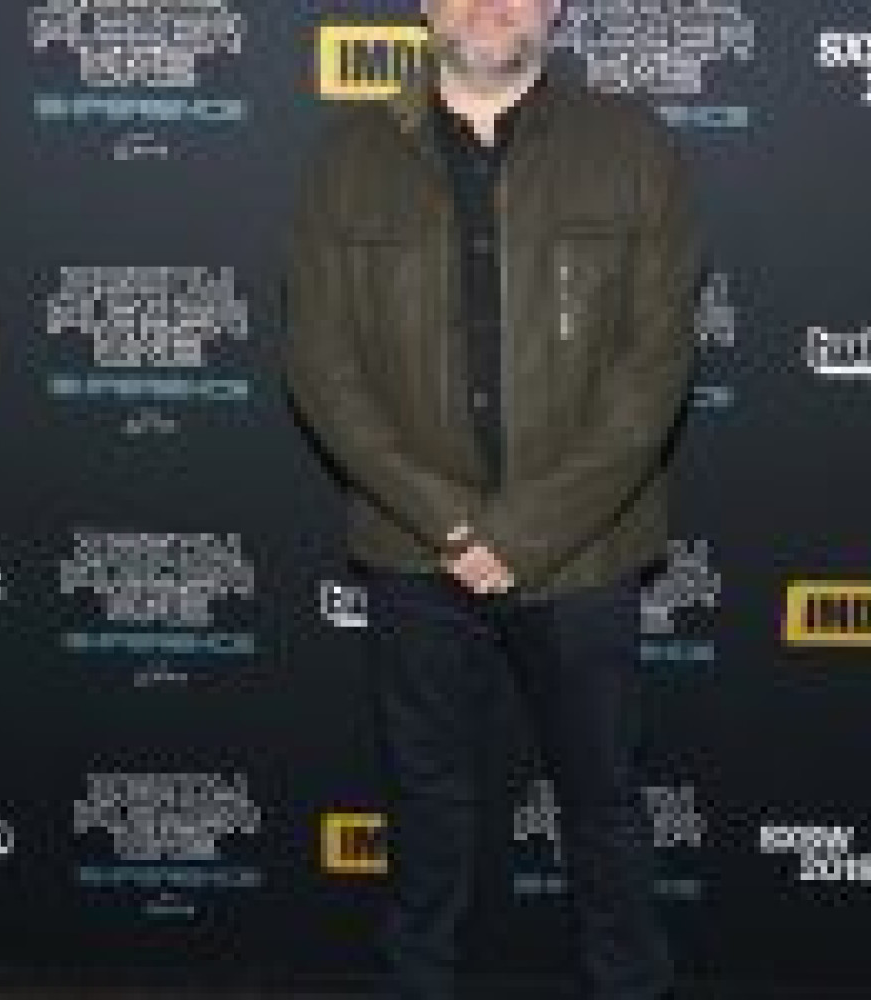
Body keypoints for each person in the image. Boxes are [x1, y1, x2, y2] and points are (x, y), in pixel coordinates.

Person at [282, 0, 705, 994]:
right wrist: (451, 523)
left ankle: (630, 982)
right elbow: (320, 366)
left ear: (556, 4)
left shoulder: (633, 148)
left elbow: (654, 372)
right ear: (427, 5)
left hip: (586, 553)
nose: (490, 5)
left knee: (603, 800)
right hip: (411, 548)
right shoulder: (345, 158)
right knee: (424, 804)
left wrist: (521, 531)